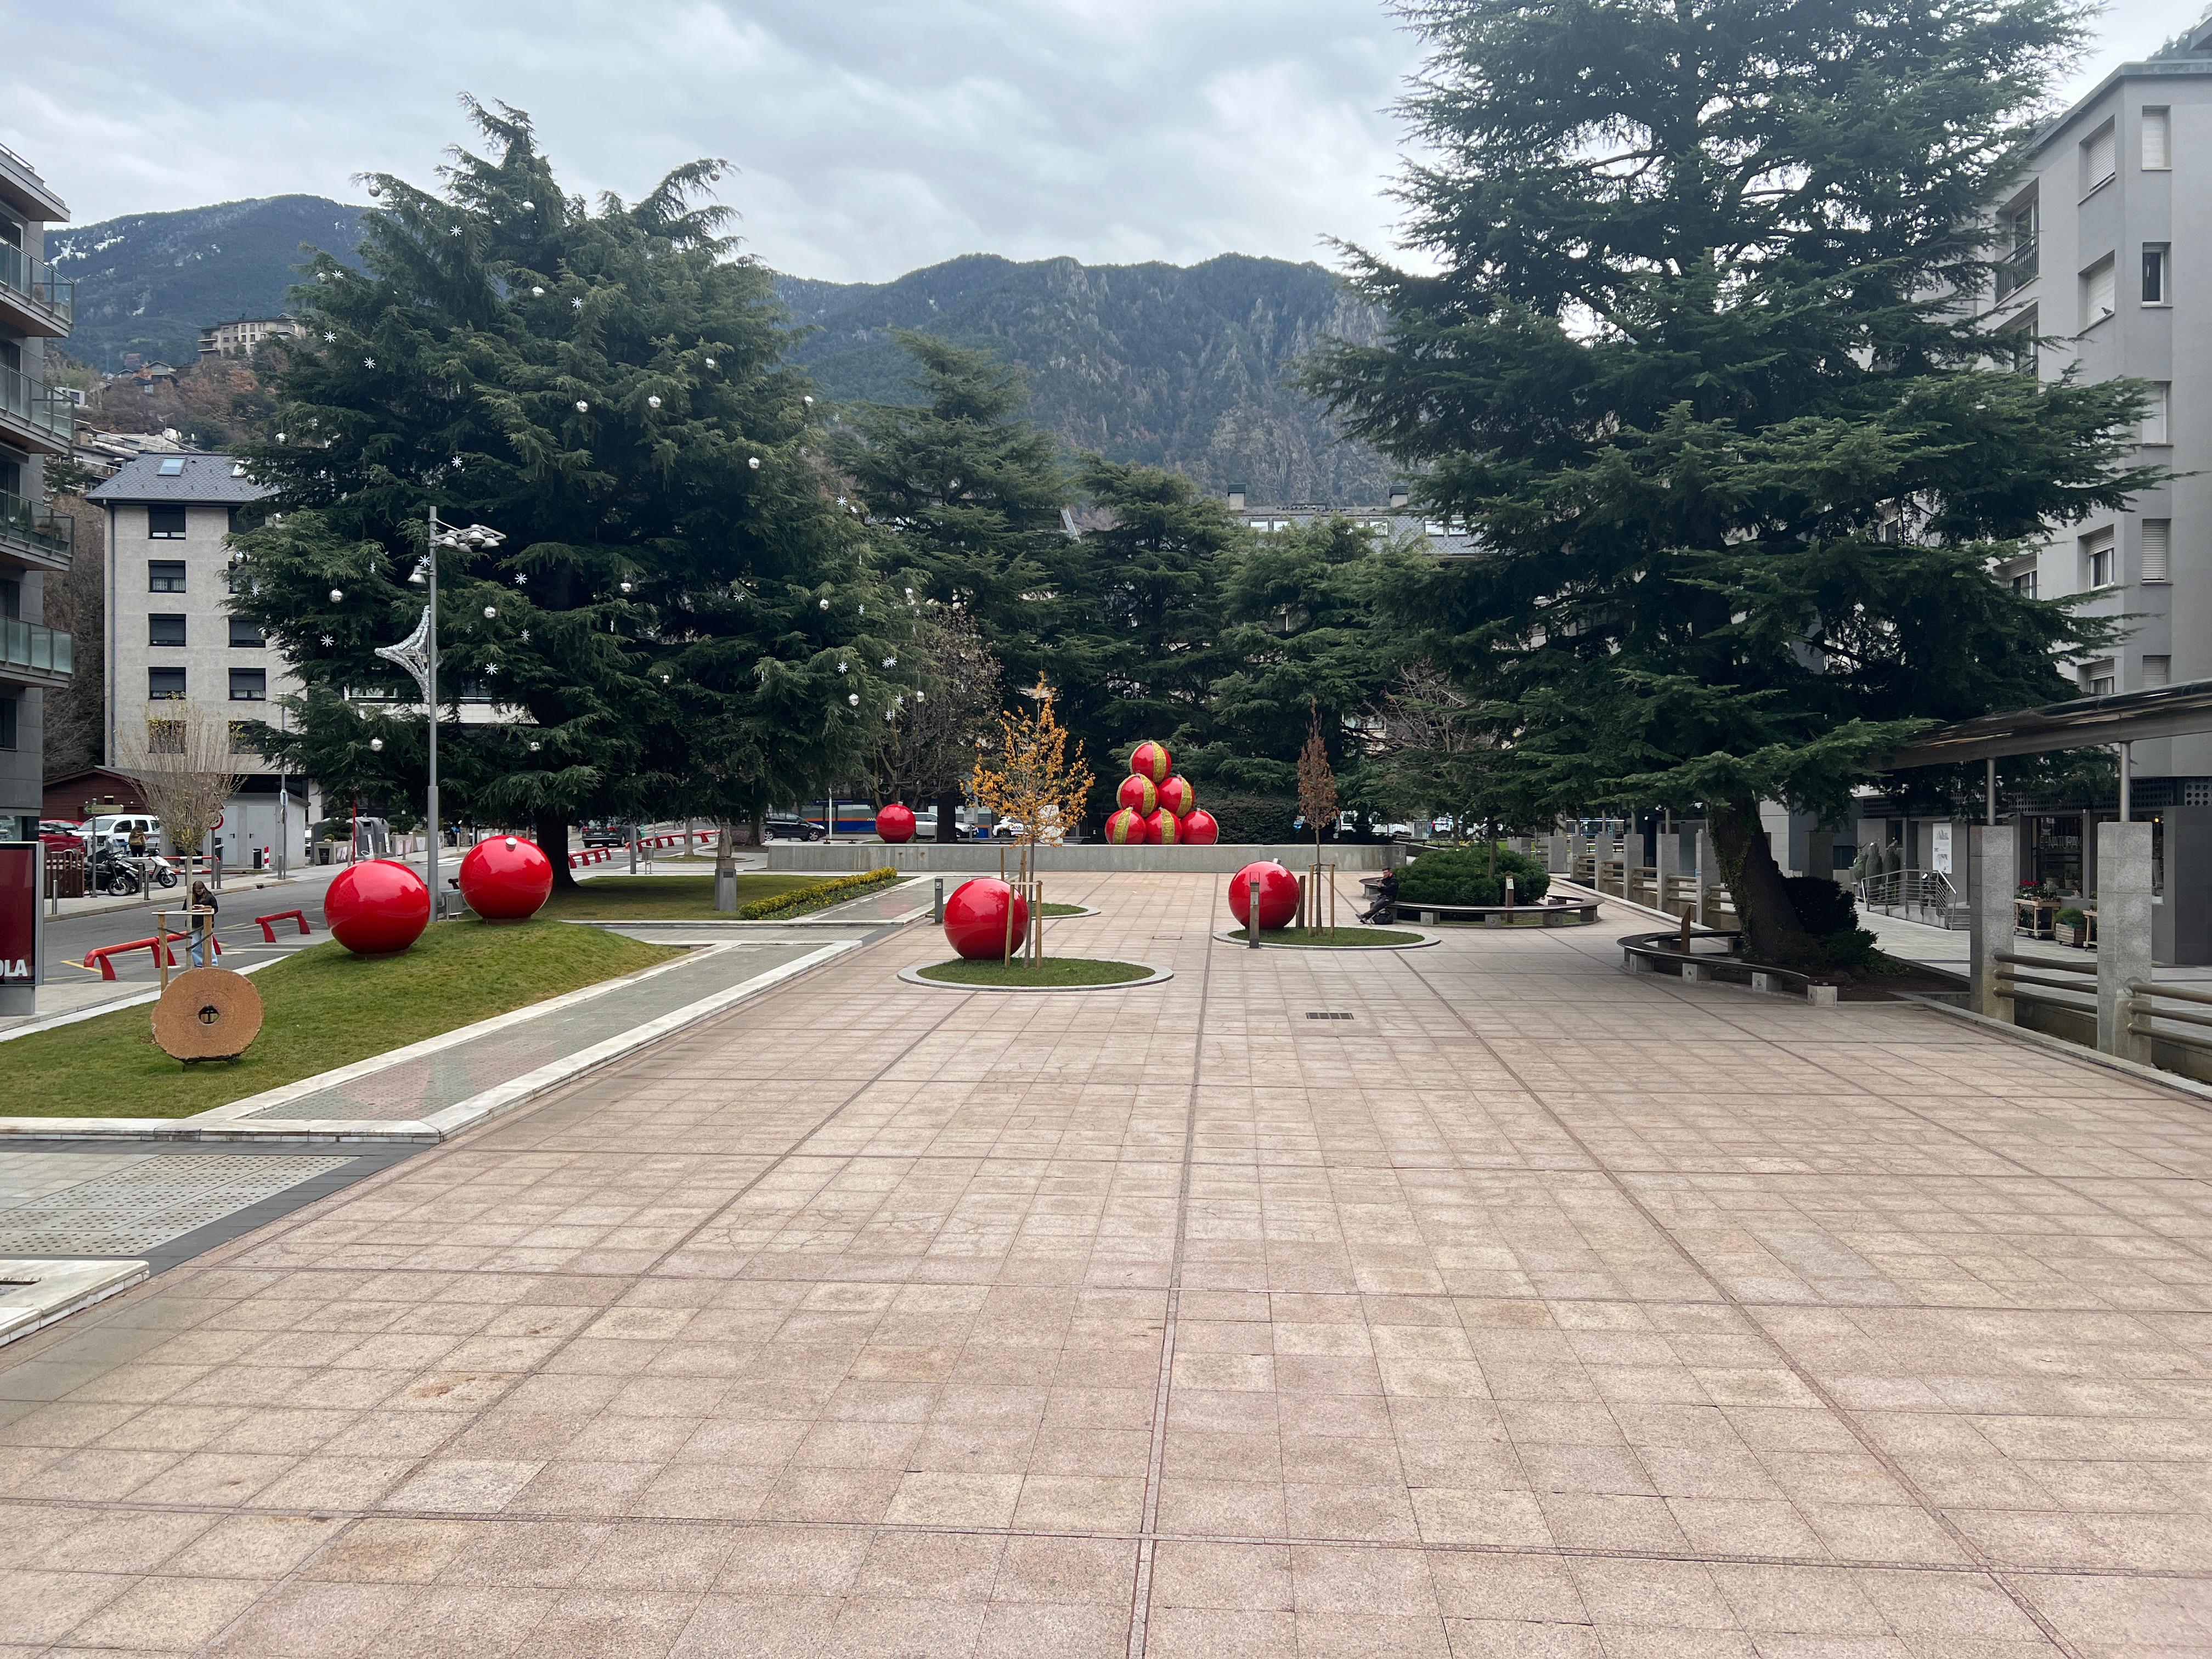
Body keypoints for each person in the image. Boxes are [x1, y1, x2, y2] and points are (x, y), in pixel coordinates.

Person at [187, 879, 219, 967]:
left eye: (200, 891)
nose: (198, 893)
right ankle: (199, 963)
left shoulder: (210, 897)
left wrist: (205, 908)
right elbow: (184, 909)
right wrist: (192, 908)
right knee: (195, 944)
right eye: (196, 892)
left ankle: (213, 963)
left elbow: (215, 909)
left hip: (206, 923)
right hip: (194, 922)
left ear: (204, 889)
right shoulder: (191, 897)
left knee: (208, 943)